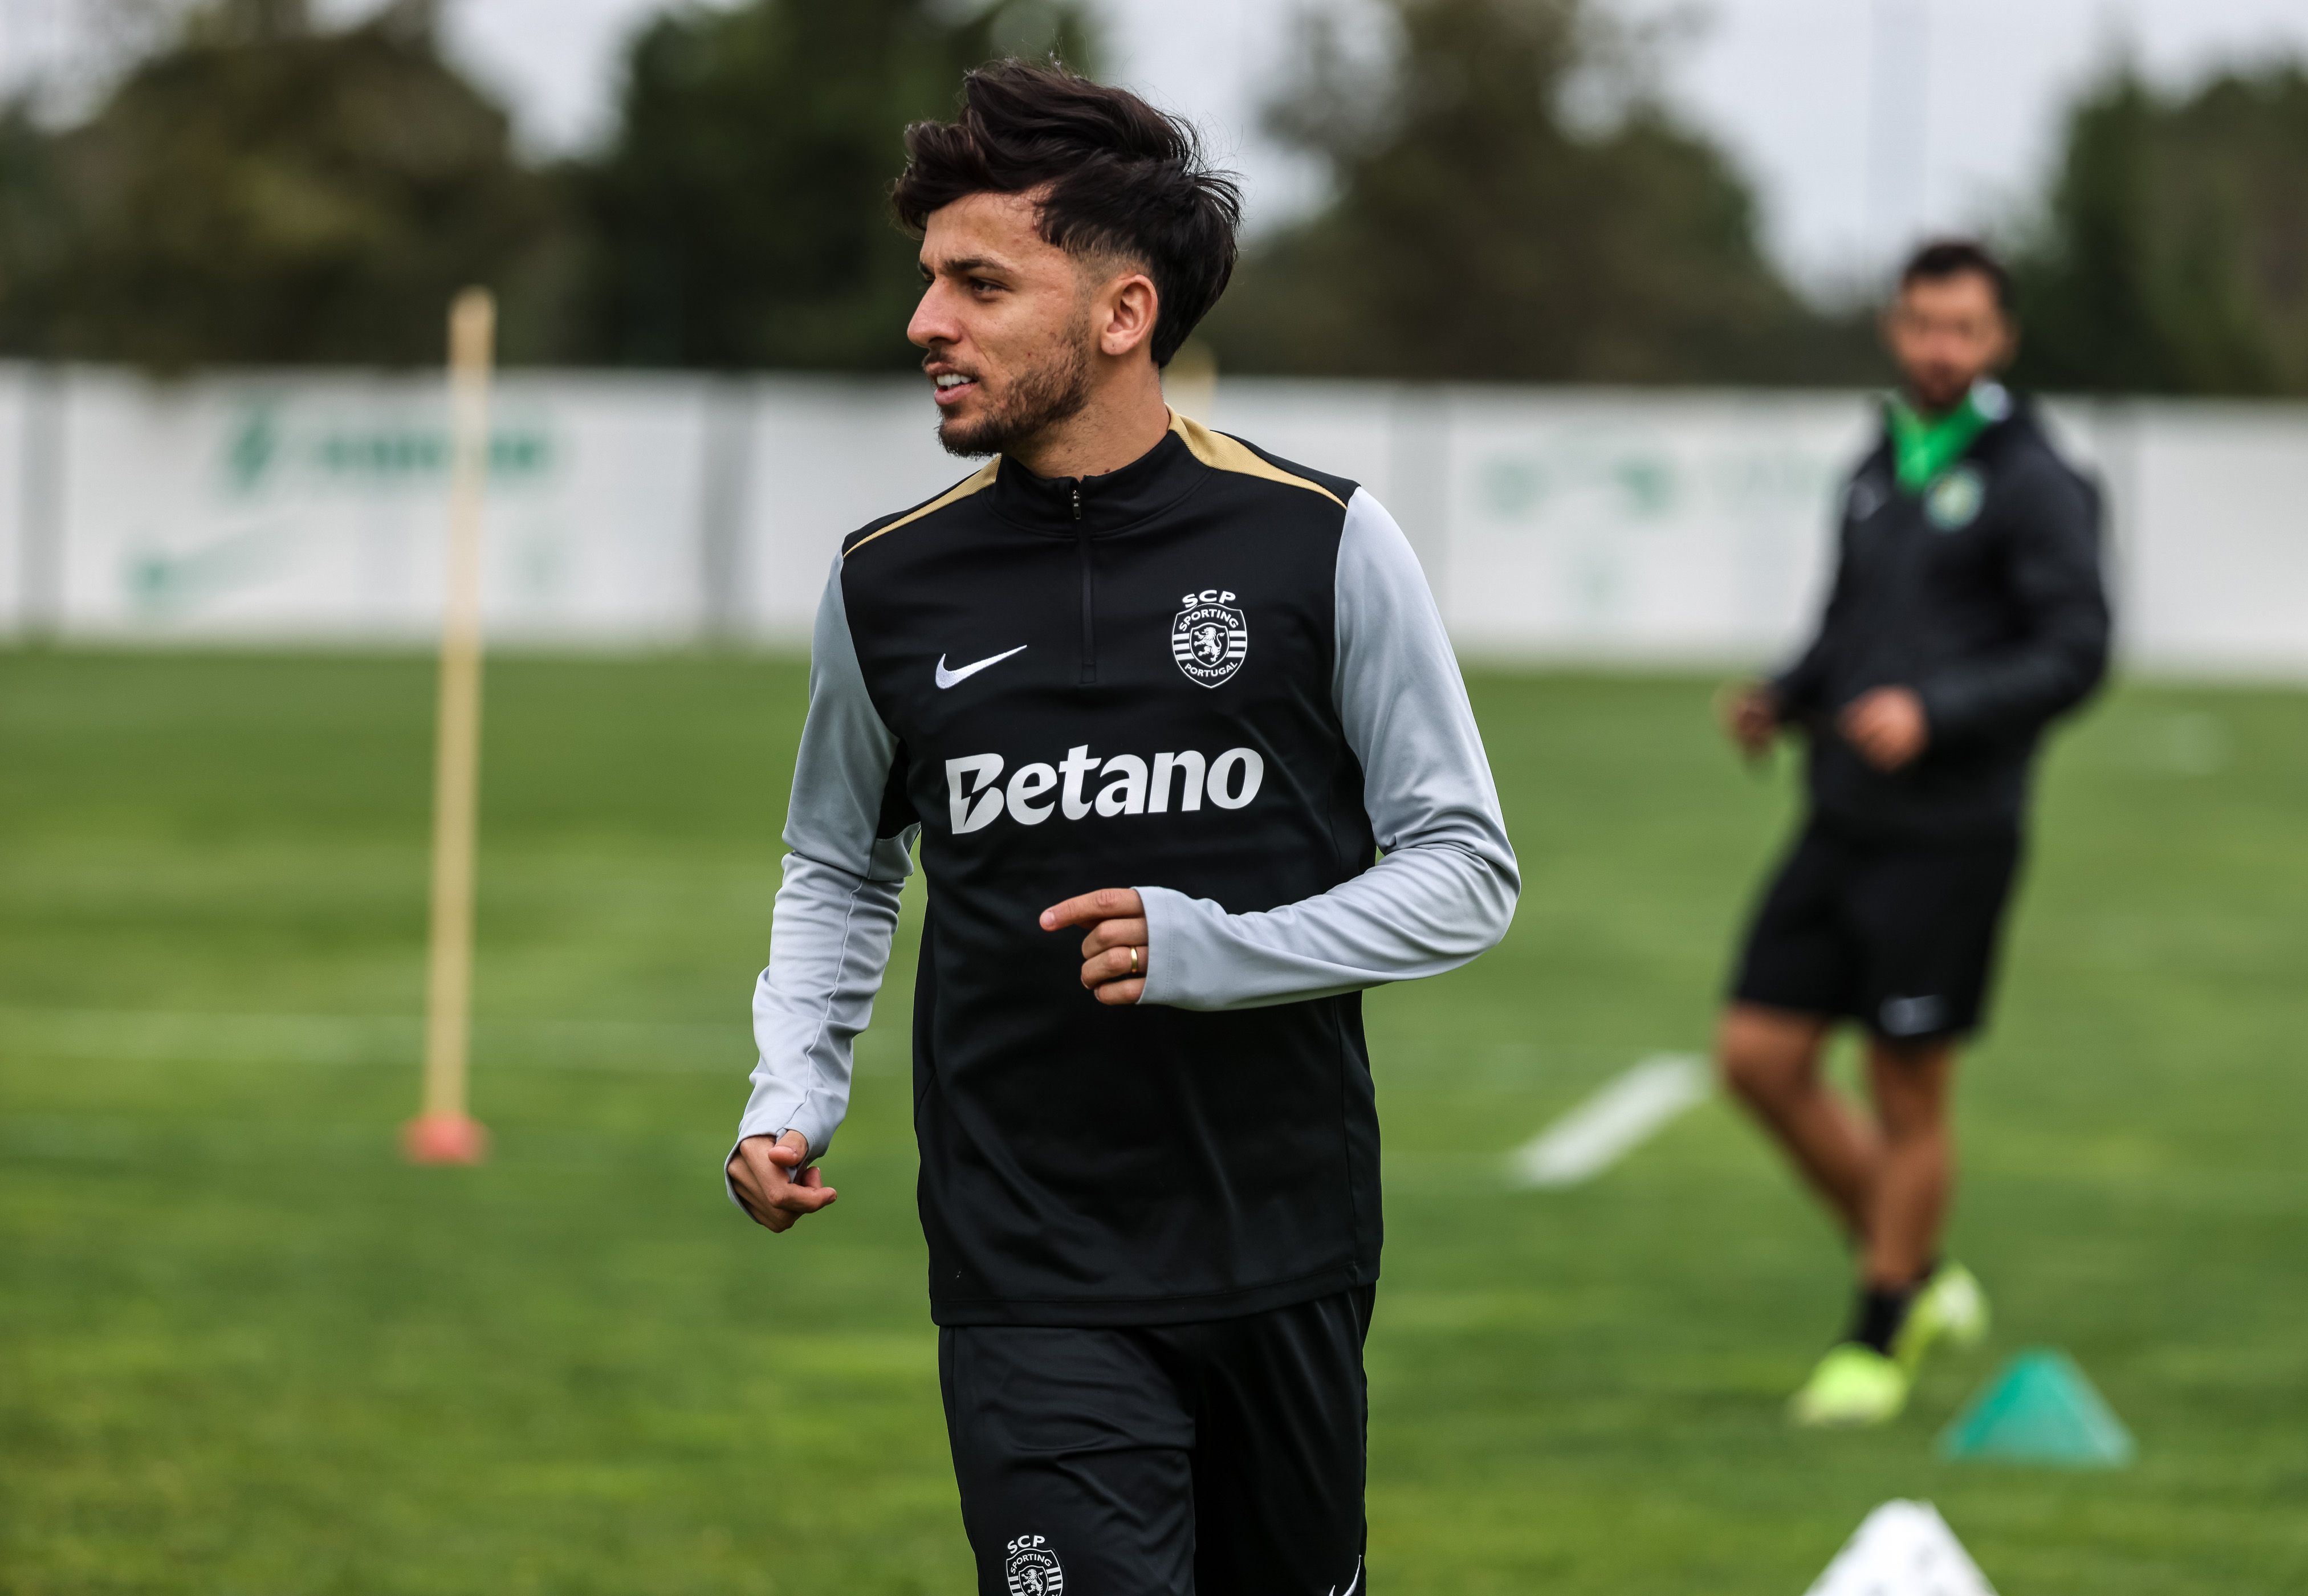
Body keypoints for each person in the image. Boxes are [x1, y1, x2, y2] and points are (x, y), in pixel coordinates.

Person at [723, 62, 1517, 1595]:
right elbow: (838, 857)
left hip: (1280, 1243)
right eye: (928, 280)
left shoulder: (1322, 544)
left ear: (1121, 313)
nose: (926, 322)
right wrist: (792, 1085)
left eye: (978, 285)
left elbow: (1463, 875)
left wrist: (1216, 949)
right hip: (1025, 1257)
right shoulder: (885, 584)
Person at [1714, 239, 2109, 1427]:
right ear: (1894, 326)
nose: (1939, 347)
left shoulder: (2036, 478)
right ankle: (1924, 1273)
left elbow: (2076, 651)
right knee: (1755, 1058)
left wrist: (1935, 712)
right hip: (1840, 813)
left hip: (1951, 831)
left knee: (1904, 1088)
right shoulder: (1876, 461)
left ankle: (1877, 1334)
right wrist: (1784, 695)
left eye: (1963, 329)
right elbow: (1846, 625)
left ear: (2000, 340)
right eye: (1922, 324)